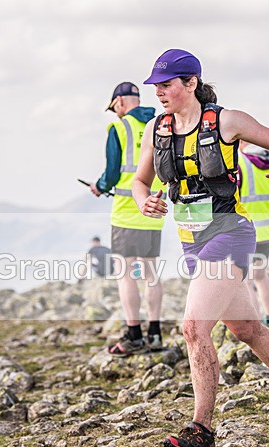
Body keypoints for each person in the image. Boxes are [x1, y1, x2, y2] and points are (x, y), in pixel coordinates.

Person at [132, 49, 269, 447]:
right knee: (246, 329)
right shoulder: (156, 129)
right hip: (191, 238)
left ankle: (201, 429)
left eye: (166, 85)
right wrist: (143, 200)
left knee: (193, 327)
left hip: (230, 232)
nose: (159, 93)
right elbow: (140, 180)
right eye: (156, 86)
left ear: (190, 83)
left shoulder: (226, 121)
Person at [89, 82, 165, 355]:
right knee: (151, 273)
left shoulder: (119, 128)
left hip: (126, 210)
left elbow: (112, 172)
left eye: (114, 108)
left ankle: (134, 334)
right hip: (155, 208)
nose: (115, 113)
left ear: (119, 102)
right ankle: (155, 334)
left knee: (125, 273)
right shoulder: (160, 124)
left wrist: (99, 186)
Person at [238, 141, 269, 334]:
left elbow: (233, 195)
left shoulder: (239, 161)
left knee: (246, 280)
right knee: (261, 275)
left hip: (246, 229)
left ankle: (256, 329)